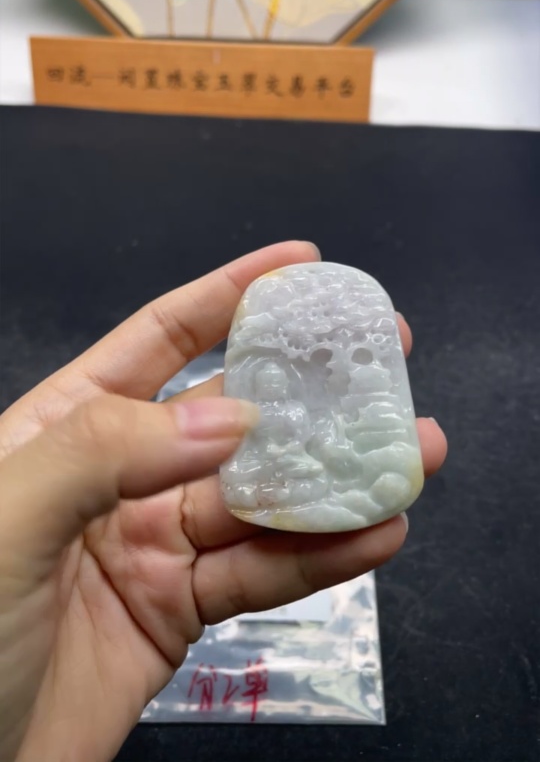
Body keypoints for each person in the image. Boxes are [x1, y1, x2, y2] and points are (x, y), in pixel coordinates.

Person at [0, 241, 447, 762]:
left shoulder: (298, 411)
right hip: (264, 469)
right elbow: (253, 446)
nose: (275, 387)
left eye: (280, 381)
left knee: (309, 472)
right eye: (269, 381)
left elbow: (313, 442)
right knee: (265, 477)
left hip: (295, 465)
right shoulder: (255, 408)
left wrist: (321, 451)